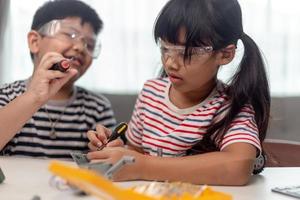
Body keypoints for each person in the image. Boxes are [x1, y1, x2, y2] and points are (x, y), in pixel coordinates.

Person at [87, 0, 270, 185]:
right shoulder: (151, 93)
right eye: (165, 48)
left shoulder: (229, 106)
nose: (170, 63)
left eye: (186, 53)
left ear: (225, 54)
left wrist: (142, 166)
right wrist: (117, 151)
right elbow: (137, 153)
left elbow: (239, 166)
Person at [0, 0, 116, 159]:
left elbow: (107, 163)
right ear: (35, 42)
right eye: (70, 35)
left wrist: (105, 149)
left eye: (89, 44)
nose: (80, 48)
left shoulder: (97, 108)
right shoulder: (6, 96)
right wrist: (33, 96)